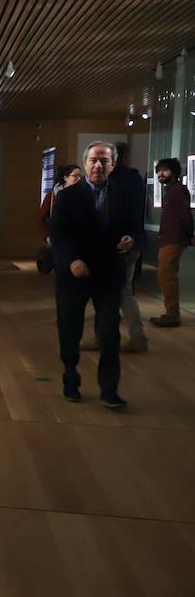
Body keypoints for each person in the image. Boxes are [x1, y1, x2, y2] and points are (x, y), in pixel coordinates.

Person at [49, 141, 139, 409]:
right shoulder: (67, 196)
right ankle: (70, 378)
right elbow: (58, 235)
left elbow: (136, 227)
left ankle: (109, 389)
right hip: (74, 274)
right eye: (93, 160)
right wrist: (71, 261)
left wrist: (131, 239)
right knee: (70, 331)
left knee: (109, 333)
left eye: (105, 161)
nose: (99, 165)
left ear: (112, 165)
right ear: (85, 163)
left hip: (109, 274)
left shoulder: (124, 195)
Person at [111, 142, 148, 352]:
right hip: (133, 240)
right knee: (123, 290)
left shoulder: (114, 180)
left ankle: (133, 336)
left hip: (119, 243)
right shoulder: (135, 178)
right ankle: (136, 336)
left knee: (115, 291)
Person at [150, 157, 194, 327]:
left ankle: (172, 314)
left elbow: (185, 215)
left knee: (166, 275)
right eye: (158, 171)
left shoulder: (177, 190)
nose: (160, 174)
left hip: (174, 239)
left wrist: (189, 234)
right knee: (167, 275)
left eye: (165, 170)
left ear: (174, 172)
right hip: (170, 238)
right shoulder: (171, 190)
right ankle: (171, 313)